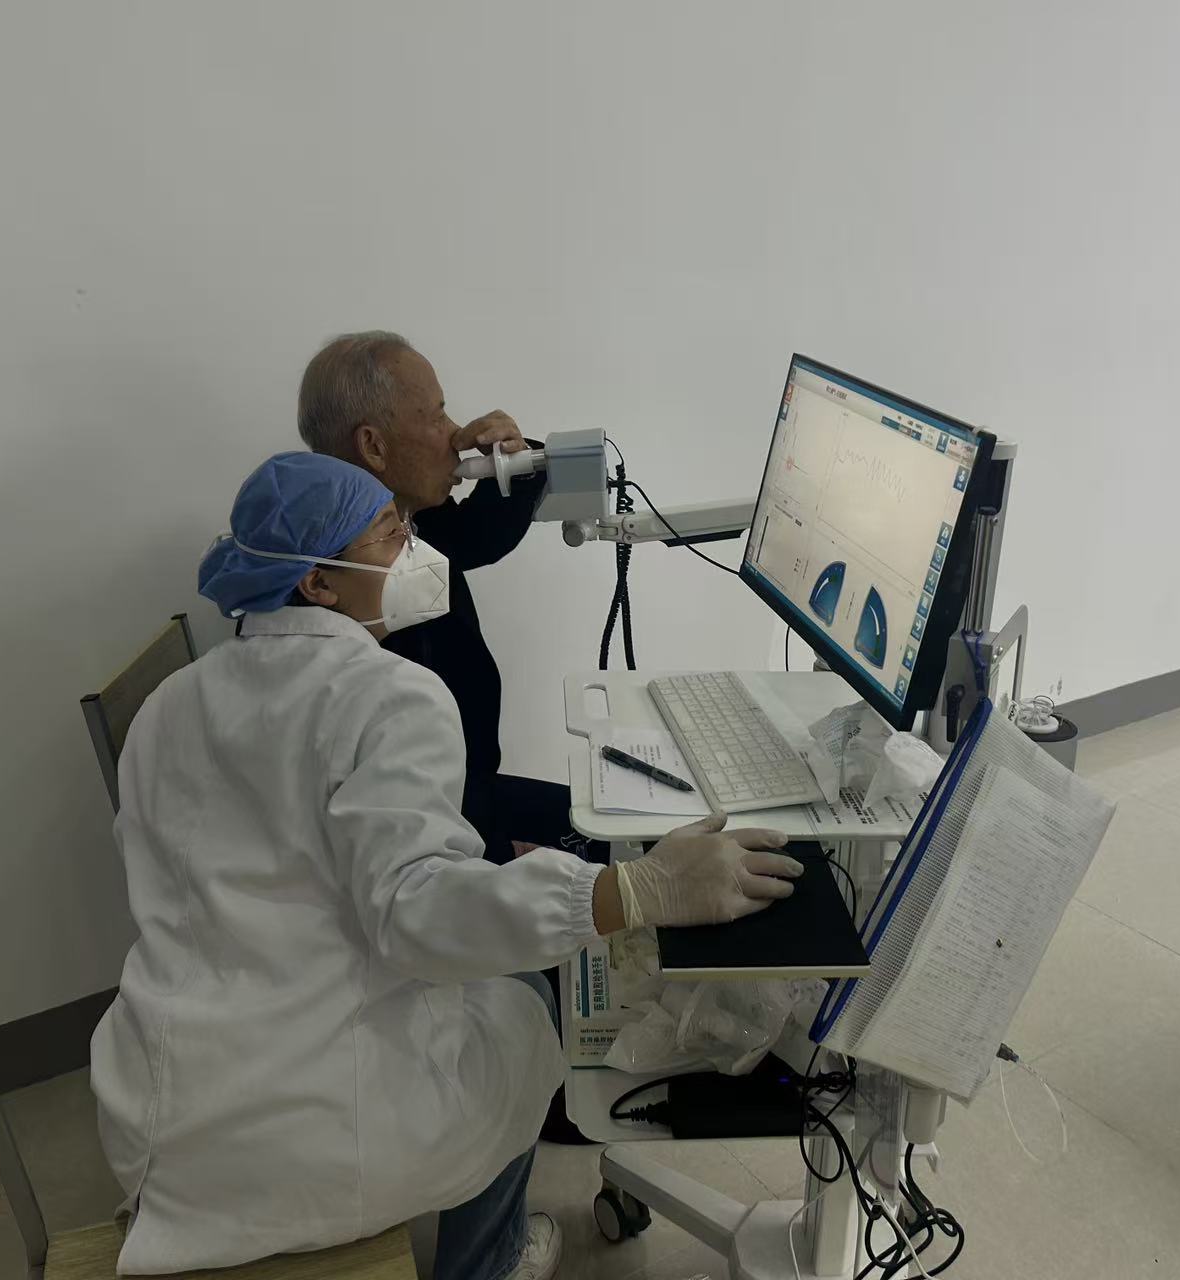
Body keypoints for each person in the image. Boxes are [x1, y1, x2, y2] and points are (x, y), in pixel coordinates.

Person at [89, 451, 801, 1280]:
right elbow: (418, 920)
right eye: (389, 533)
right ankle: (488, 1263)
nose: (414, 546)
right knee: (523, 1011)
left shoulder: (172, 702)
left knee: (488, 986)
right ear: (319, 584)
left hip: (159, 1108)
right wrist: (634, 890)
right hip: (310, 1132)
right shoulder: (387, 694)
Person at [297, 332, 587, 867]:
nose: (455, 435)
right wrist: (496, 856)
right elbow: (394, 819)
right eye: (436, 416)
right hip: (432, 825)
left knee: (622, 830)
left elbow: (477, 537)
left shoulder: (408, 521)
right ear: (373, 447)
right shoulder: (343, 577)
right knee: (626, 852)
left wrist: (518, 460)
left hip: (470, 791)